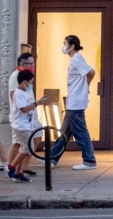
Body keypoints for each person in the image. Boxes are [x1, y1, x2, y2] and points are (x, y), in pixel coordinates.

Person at [50, 35, 97, 170]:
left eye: (65, 43)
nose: (63, 46)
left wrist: (87, 84)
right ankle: (52, 158)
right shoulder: (75, 60)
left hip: (76, 102)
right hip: (74, 101)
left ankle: (89, 160)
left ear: (72, 46)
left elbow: (91, 72)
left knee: (80, 132)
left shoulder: (76, 59)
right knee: (66, 131)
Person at [7, 53, 43, 176]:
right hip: (22, 118)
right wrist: (24, 109)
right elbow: (14, 96)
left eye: (34, 63)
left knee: (36, 138)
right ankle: (12, 167)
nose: (33, 66)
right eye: (30, 63)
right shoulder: (16, 76)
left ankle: (23, 167)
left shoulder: (27, 76)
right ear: (22, 64)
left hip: (30, 115)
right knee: (19, 143)